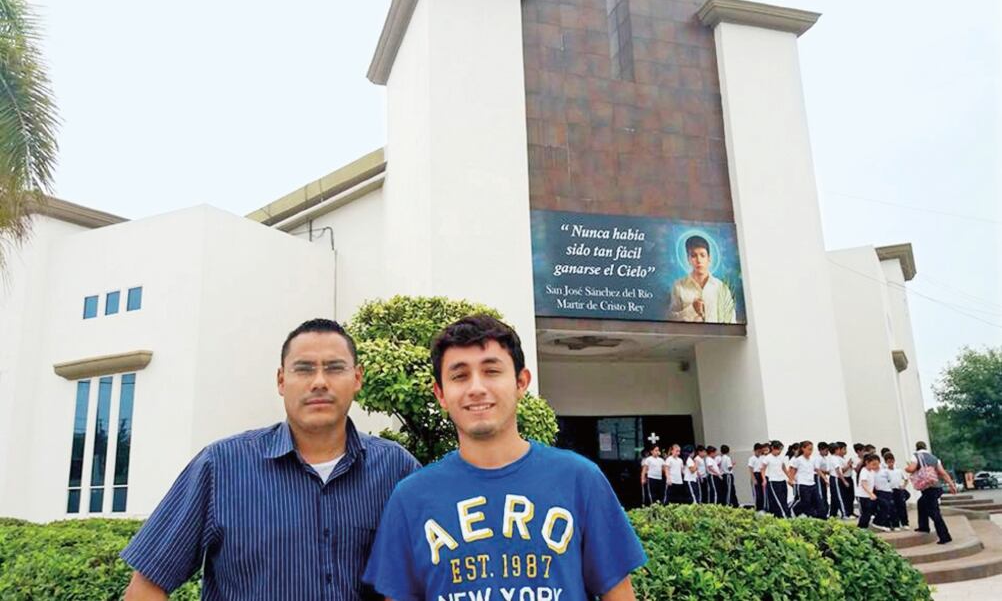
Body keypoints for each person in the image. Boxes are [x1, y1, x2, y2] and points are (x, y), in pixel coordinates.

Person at [120, 319, 420, 600]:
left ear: (357, 378)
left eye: (334, 368)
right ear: (281, 380)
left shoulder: (396, 469)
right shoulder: (221, 466)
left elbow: (431, 576)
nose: (319, 382)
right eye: (303, 369)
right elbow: (145, 587)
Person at [363, 315, 647, 601]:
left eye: (491, 371)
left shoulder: (580, 480)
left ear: (521, 382)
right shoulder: (410, 498)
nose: (476, 388)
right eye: (459, 376)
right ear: (441, 394)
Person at [668, 235, 737, 323]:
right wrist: (692, 309)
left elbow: (731, 320)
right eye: (693, 256)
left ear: (709, 258)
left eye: (702, 255)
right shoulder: (678, 286)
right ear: (688, 259)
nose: (698, 260)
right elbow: (671, 320)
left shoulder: (721, 288)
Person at [905, 441, 958, 545]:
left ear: (917, 448)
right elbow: (942, 473)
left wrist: (906, 468)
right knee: (921, 503)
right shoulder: (934, 458)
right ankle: (923, 526)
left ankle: (945, 536)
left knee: (934, 512)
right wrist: (952, 485)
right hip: (936, 487)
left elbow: (911, 469)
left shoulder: (915, 456)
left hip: (928, 489)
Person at [788, 441, 822, 519]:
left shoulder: (813, 459)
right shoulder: (798, 460)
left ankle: (816, 516)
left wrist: (825, 478)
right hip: (802, 484)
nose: (810, 451)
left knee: (817, 501)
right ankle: (792, 509)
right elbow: (793, 471)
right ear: (803, 449)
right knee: (804, 501)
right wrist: (791, 480)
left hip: (812, 483)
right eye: (809, 449)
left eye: (812, 450)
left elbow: (817, 469)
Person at [856, 453, 888, 531]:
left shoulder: (871, 471)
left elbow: (872, 483)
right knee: (866, 513)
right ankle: (861, 528)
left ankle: (877, 522)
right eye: (874, 464)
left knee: (884, 505)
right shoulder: (864, 471)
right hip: (863, 496)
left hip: (870, 495)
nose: (876, 466)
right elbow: (864, 484)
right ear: (867, 462)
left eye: (877, 464)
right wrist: (870, 493)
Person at [761, 441, 790, 518]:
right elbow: (762, 469)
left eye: (781, 450)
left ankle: (778, 515)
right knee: (778, 500)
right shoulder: (768, 458)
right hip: (773, 481)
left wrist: (790, 477)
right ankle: (785, 516)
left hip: (782, 481)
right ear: (772, 448)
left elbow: (784, 468)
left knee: (784, 499)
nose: (779, 451)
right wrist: (764, 480)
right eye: (778, 449)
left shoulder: (781, 457)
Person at [885, 453, 910, 528]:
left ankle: (905, 523)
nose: (891, 463)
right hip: (891, 491)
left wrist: (904, 486)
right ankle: (895, 524)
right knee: (893, 508)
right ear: (886, 462)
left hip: (899, 490)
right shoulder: (885, 472)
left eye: (892, 461)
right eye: (889, 462)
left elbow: (906, 479)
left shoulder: (899, 470)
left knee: (902, 507)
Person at [828, 442, 850, 519]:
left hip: (833, 478)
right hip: (835, 478)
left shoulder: (833, 458)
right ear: (836, 450)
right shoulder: (834, 459)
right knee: (839, 496)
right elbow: (838, 471)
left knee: (834, 496)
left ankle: (832, 513)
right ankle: (844, 513)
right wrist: (844, 481)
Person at [748, 443, 766, 513]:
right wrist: (753, 478)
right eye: (758, 451)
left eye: (760, 451)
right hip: (755, 475)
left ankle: (762, 507)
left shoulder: (763, 458)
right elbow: (750, 469)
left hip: (761, 474)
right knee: (756, 493)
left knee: (762, 492)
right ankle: (757, 508)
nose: (759, 453)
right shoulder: (751, 458)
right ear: (754, 451)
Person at [815, 442, 831, 517]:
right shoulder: (818, 458)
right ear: (821, 450)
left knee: (824, 494)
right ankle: (821, 511)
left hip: (823, 476)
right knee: (821, 495)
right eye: (826, 450)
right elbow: (817, 469)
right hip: (819, 477)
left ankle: (825, 510)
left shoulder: (824, 458)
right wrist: (824, 478)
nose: (827, 452)